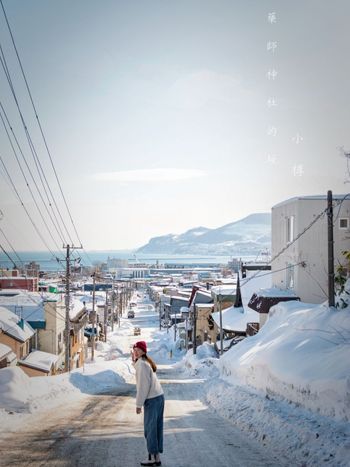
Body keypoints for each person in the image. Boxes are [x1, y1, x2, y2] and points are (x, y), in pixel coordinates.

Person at [132, 340, 164, 467]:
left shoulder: (142, 365)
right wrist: (135, 361)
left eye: (138, 350)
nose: (136, 352)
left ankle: (152, 458)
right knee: (156, 429)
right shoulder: (144, 363)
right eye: (134, 350)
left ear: (143, 351)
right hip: (159, 397)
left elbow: (143, 387)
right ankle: (156, 457)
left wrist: (139, 405)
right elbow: (141, 371)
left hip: (152, 399)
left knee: (150, 430)